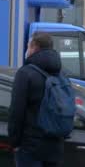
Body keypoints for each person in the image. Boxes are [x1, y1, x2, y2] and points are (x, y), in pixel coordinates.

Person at [8, 33, 66, 167]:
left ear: (34, 48)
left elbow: (16, 111)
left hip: (30, 147)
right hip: (55, 146)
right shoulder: (60, 74)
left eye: (28, 46)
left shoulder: (25, 73)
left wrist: (14, 142)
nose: (27, 50)